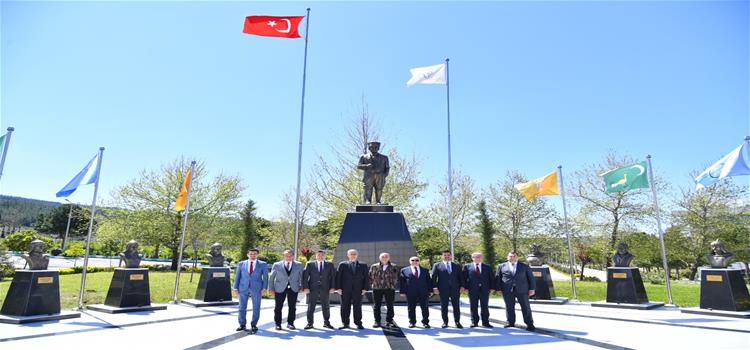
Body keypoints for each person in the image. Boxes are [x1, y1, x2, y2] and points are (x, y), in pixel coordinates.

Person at [496, 251, 536, 331]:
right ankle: (510, 322)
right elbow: (498, 278)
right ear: (507, 257)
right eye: (510, 256)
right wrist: (498, 289)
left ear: (517, 257)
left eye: (514, 256)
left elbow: (531, 278)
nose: (512, 258)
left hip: (522, 290)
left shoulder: (524, 266)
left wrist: (532, 288)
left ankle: (529, 324)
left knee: (525, 307)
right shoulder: (501, 266)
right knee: (509, 307)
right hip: (507, 290)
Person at [232, 248, 268, 334]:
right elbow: (237, 277)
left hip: (257, 288)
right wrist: (235, 287)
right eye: (251, 254)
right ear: (247, 254)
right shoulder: (241, 264)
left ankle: (254, 324)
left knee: (256, 307)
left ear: (257, 255)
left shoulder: (263, 264)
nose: (253, 255)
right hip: (243, 288)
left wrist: (264, 288)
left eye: (255, 254)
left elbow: (266, 278)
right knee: (241, 307)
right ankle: (242, 324)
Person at [269, 249, 303, 330]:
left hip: (293, 288)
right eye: (286, 256)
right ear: (283, 256)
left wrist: (302, 287)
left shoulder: (299, 265)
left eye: (290, 255)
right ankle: (278, 324)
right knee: (278, 307)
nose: (288, 257)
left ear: (293, 256)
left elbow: (302, 277)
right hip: (279, 288)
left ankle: (290, 323)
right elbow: (271, 278)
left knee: (292, 306)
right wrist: (271, 289)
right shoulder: (276, 265)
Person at [335, 249, 369, 329]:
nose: (353, 255)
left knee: (357, 306)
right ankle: (345, 323)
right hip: (345, 290)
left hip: (358, 290)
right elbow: (338, 277)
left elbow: (366, 278)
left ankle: (358, 323)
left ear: (357, 255)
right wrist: (338, 288)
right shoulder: (342, 264)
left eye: (355, 254)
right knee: (345, 306)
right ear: (348, 255)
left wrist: (365, 288)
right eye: (351, 254)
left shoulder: (363, 265)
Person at [302, 250, 336, 329]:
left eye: (322, 255)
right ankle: (310, 323)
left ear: (325, 256)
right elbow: (305, 277)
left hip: (326, 288)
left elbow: (333, 277)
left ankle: (327, 323)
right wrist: (306, 287)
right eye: (319, 255)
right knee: (311, 306)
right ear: (316, 256)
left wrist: (332, 287)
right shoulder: (310, 264)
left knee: (326, 306)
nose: (320, 256)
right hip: (312, 288)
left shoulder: (329, 264)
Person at [432, 250, 463, 328]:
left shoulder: (456, 265)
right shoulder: (437, 265)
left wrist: (462, 286)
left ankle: (457, 322)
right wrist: (435, 288)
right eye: (445, 255)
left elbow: (461, 277)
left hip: (455, 289)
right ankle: (445, 322)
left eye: (448, 255)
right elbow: (434, 277)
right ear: (442, 256)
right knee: (444, 306)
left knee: (456, 306)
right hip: (442, 289)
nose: (446, 256)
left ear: (451, 256)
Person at [462, 252, 494, 328]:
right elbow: (463, 278)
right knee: (473, 306)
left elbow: (491, 278)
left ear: (482, 258)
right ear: (472, 258)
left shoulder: (487, 267)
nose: (477, 258)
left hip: (485, 289)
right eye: (475, 257)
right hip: (472, 290)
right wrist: (465, 287)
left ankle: (485, 322)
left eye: (479, 257)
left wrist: (492, 288)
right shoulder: (467, 267)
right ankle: (474, 322)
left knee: (485, 306)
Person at [399, 256, 433, 328]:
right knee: (411, 308)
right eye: (413, 260)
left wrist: (430, 290)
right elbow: (402, 282)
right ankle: (412, 322)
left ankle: (425, 322)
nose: (415, 261)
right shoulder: (404, 270)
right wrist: (402, 291)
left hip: (423, 292)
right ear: (410, 261)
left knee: (425, 308)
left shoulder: (425, 270)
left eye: (417, 260)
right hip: (410, 292)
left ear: (419, 261)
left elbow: (429, 281)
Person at [369, 252, 399, 328]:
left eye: (386, 257)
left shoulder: (394, 266)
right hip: (377, 289)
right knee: (377, 306)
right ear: (380, 258)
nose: (384, 258)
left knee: (390, 305)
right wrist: (372, 284)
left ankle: (389, 321)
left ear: (389, 258)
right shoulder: (374, 266)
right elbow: (370, 277)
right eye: (383, 257)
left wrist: (393, 285)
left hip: (389, 289)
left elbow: (397, 277)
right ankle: (377, 321)